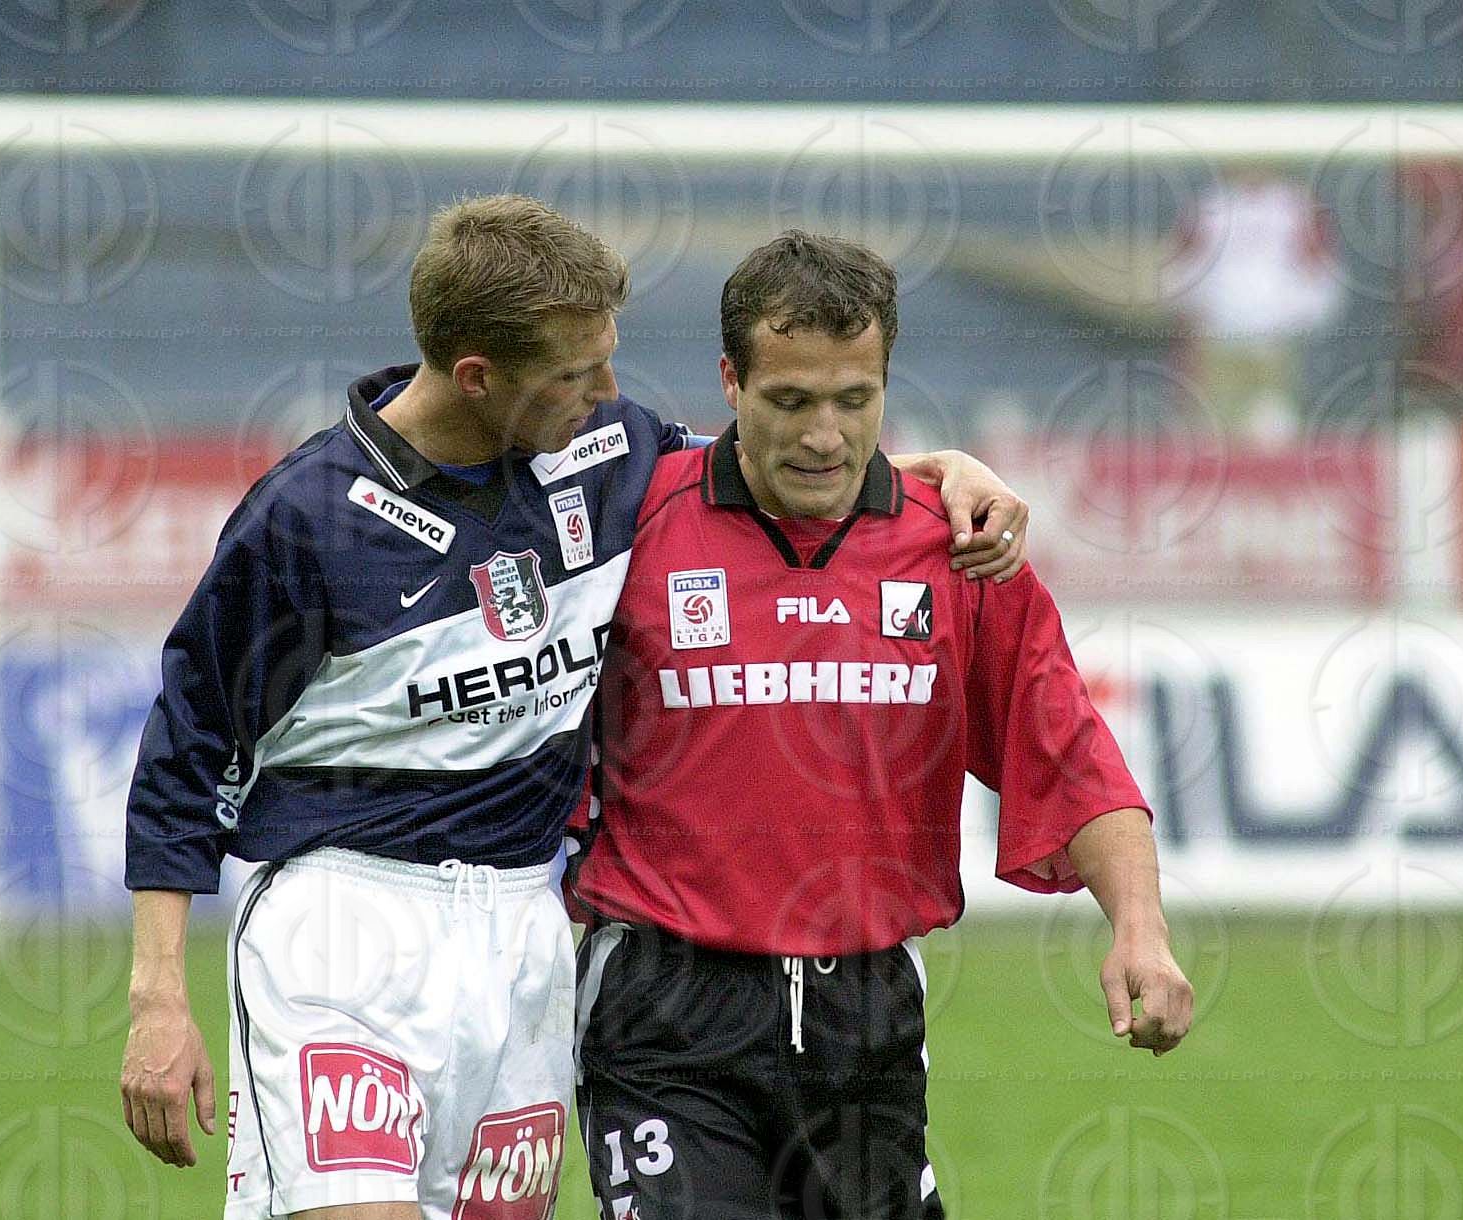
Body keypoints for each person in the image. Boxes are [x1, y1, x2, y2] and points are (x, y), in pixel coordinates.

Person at [118, 195, 1030, 1220]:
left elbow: (770, 464)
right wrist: (158, 998)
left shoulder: (608, 454)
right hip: (344, 928)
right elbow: (188, 754)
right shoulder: (307, 523)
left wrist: (942, 472)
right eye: (575, 373)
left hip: (524, 939)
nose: (607, 392)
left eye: (608, 359)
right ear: (479, 377)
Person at [570, 231, 1194, 1219]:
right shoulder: (630, 525)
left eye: (853, 400)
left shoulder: (960, 551)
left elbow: (1069, 754)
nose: (825, 435)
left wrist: (1141, 932)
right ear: (730, 382)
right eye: (790, 401)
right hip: (665, 1008)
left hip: (864, 1014)